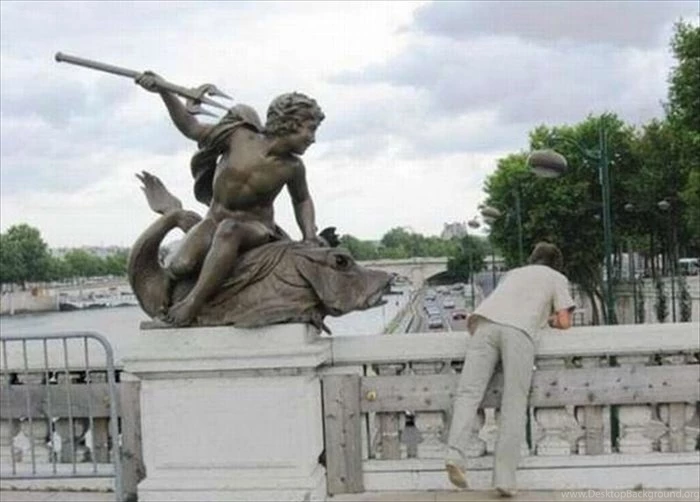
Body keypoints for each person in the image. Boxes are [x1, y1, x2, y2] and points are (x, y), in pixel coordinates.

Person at [136, 72, 326, 325]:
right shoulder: (238, 137)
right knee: (181, 265)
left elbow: (302, 200)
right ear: (290, 122)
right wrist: (164, 91)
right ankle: (165, 304)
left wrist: (309, 236)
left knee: (229, 230)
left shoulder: (293, 167)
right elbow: (191, 128)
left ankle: (192, 304)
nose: (313, 138)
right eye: (310, 129)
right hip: (213, 220)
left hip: (257, 229)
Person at [444, 242, 575, 497]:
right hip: (519, 332)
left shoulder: (513, 273)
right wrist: (547, 320)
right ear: (556, 265)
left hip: (484, 325)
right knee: (513, 402)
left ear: (532, 259)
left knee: (468, 394)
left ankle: (454, 455)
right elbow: (564, 321)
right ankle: (504, 478)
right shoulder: (556, 278)